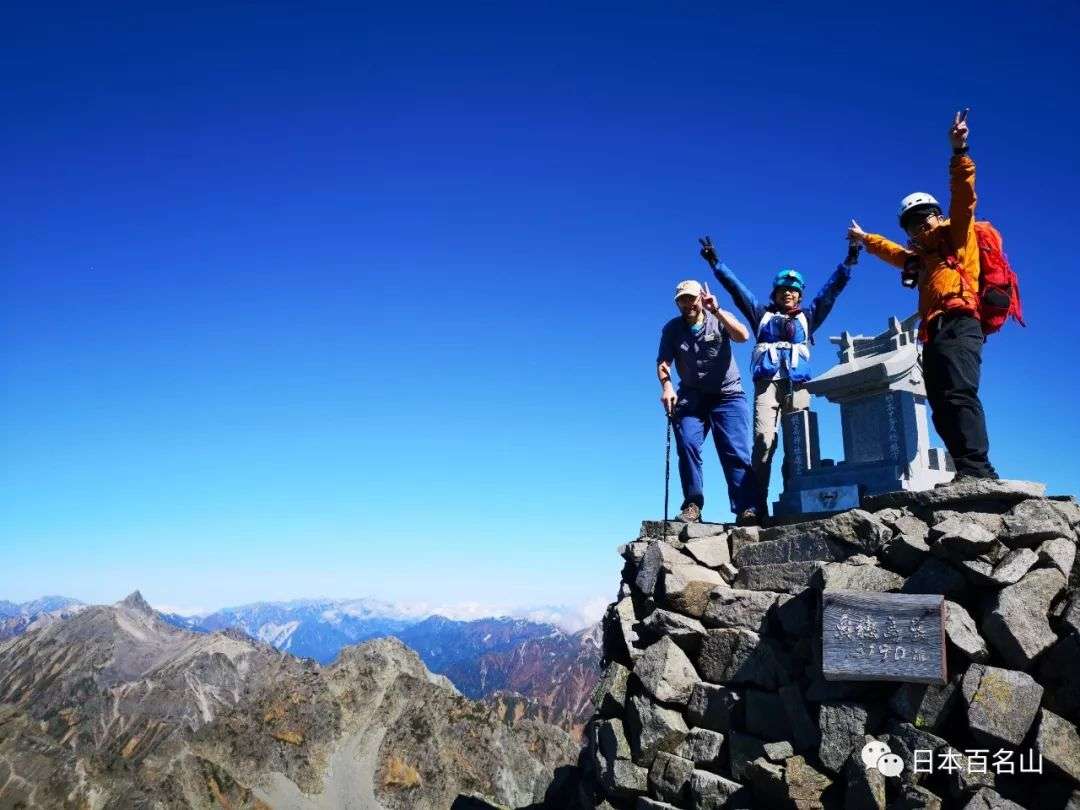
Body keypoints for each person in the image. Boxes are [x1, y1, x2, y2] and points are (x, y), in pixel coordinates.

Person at [848, 109, 997, 481]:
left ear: (937, 214)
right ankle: (967, 468)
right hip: (932, 330)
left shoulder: (957, 236)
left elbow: (964, 198)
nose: (920, 224)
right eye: (912, 222)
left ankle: (978, 469)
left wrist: (959, 152)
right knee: (941, 401)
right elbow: (891, 252)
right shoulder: (920, 258)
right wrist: (866, 239)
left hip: (961, 319)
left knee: (960, 393)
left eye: (924, 216)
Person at [698, 237, 856, 512]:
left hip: (799, 383)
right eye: (783, 289)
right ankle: (755, 505)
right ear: (775, 293)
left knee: (799, 444)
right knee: (763, 442)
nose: (788, 293)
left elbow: (830, 292)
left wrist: (850, 260)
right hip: (767, 384)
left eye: (793, 291)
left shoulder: (808, 316)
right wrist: (715, 263)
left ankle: (796, 499)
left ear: (800, 295)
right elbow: (738, 290)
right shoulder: (761, 314)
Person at [656, 279, 760, 524]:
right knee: (688, 444)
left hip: (728, 394)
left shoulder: (717, 317)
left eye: (692, 298)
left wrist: (717, 310)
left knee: (734, 451)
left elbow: (743, 336)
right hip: (692, 395)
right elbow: (663, 363)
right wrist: (668, 386)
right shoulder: (672, 329)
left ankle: (747, 508)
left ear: (701, 298)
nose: (688, 304)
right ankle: (693, 504)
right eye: (682, 299)